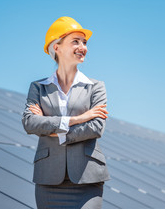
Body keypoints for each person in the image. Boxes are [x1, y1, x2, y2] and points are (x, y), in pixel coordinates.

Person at [22, 16, 110, 209]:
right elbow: (30, 123)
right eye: (75, 41)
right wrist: (77, 119)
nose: (83, 47)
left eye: (84, 42)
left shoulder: (96, 87)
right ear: (57, 47)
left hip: (87, 177)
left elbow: (95, 127)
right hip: (49, 178)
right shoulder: (38, 88)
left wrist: (52, 128)